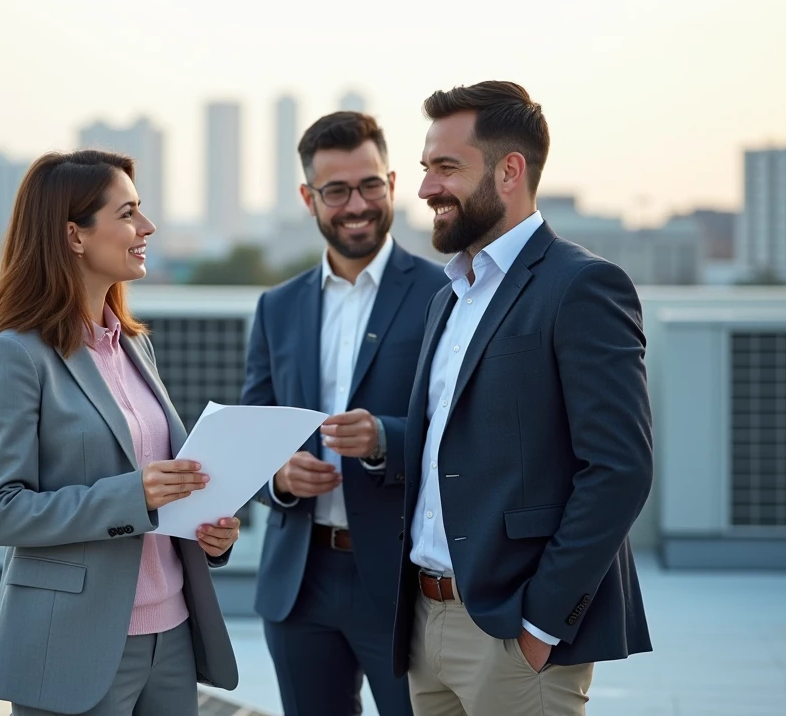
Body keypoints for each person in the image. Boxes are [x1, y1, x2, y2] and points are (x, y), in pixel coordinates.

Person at [392, 82, 653, 716]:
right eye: (426, 168)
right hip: (426, 626)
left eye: (447, 168)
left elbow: (620, 469)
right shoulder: (447, 295)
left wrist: (541, 624)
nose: (426, 188)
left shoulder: (583, 286)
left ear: (511, 171)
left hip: (513, 637)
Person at [0, 150, 240, 716]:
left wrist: (206, 529)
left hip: (172, 635)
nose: (146, 228)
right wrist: (134, 495)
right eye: (127, 213)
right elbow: (3, 511)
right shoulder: (17, 357)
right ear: (74, 235)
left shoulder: (133, 346)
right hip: (75, 644)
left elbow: (159, 486)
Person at [241, 112, 445, 715]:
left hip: (404, 581)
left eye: (370, 186)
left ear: (391, 182)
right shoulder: (276, 307)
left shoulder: (444, 293)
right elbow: (250, 432)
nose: (357, 205)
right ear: (309, 198)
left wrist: (386, 438)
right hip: (299, 582)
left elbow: (469, 432)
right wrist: (278, 476)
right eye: (336, 191)